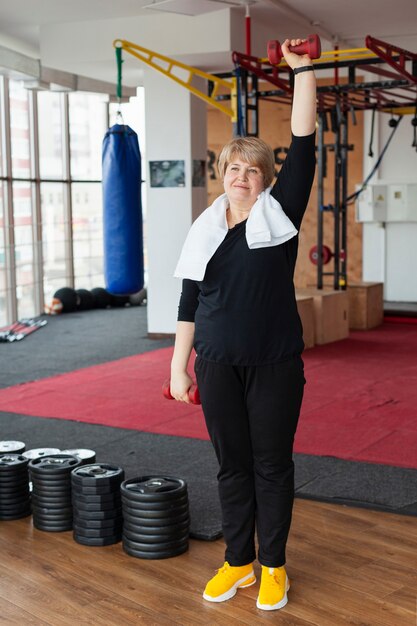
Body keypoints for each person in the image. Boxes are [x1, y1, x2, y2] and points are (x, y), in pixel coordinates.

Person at [170, 38, 316, 612]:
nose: (242, 176)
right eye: (234, 168)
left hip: (275, 364)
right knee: (231, 465)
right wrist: (178, 366)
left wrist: (302, 71)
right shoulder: (203, 233)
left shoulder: (280, 220)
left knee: (271, 464)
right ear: (222, 175)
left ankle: (274, 565)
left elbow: (302, 146)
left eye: (253, 170)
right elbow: (188, 301)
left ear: (264, 181)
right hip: (218, 363)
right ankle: (238, 560)